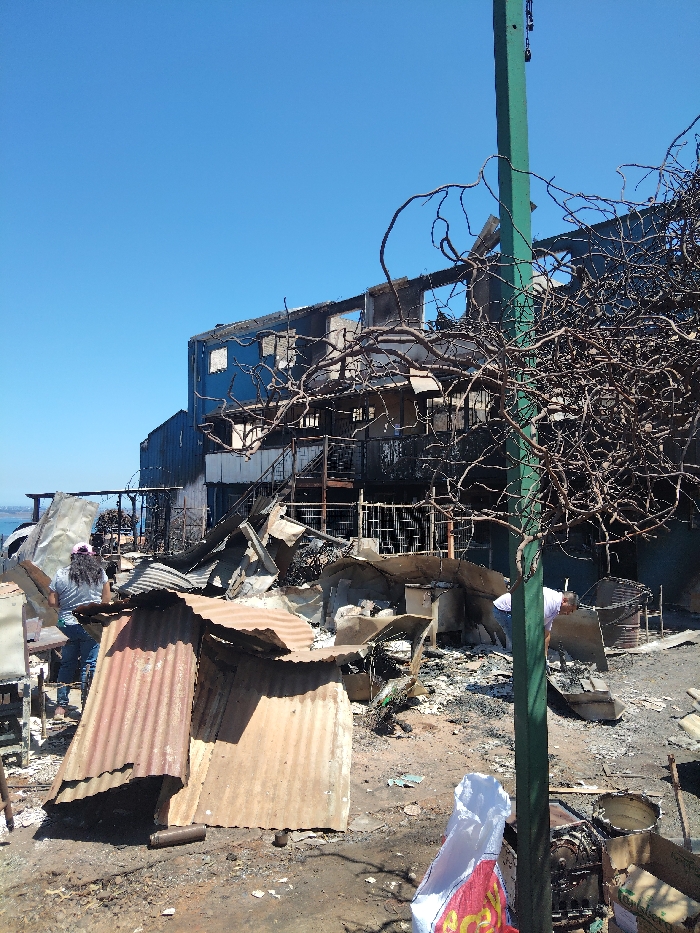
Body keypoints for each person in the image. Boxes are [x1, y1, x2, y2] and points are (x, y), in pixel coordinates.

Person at [48, 542, 110, 720]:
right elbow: (106, 600)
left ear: (73, 557)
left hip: (66, 625)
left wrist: (67, 604)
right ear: (91, 557)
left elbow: (52, 602)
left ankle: (61, 707)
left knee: (66, 664)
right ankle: (86, 706)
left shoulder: (61, 574)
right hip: (90, 625)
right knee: (88, 665)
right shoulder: (100, 573)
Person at [492, 587, 579, 655]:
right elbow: (532, 627)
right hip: (505, 610)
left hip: (517, 612)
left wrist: (544, 657)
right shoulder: (551, 602)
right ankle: (521, 671)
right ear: (565, 600)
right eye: (570, 610)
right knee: (520, 647)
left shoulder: (556, 607)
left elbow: (546, 633)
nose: (568, 613)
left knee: (525, 648)